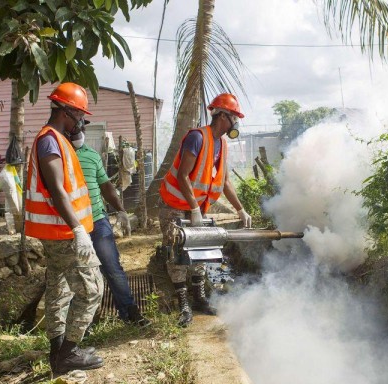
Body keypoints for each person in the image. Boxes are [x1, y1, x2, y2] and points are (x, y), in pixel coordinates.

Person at [24, 82, 104, 375]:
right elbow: (57, 189)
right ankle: (69, 353)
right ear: (67, 112)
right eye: (80, 115)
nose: (81, 122)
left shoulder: (56, 139)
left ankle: (57, 355)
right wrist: (78, 229)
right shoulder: (50, 141)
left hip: (58, 232)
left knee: (59, 290)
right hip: (64, 233)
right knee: (93, 289)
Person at [158, 93, 252, 327]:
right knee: (177, 254)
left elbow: (226, 181)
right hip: (176, 207)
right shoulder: (197, 138)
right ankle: (183, 304)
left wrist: (240, 210)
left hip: (196, 208)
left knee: (201, 250)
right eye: (234, 118)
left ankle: (199, 297)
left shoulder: (222, 144)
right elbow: (182, 176)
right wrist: (193, 208)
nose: (236, 123)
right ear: (222, 116)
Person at [69, 127, 151, 327]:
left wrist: (121, 210)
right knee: (76, 273)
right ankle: (79, 323)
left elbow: (105, 185)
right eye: (75, 126)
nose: (78, 130)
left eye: (81, 125)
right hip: (71, 225)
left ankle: (129, 311)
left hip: (97, 220)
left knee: (112, 267)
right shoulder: (60, 155)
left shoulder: (92, 155)